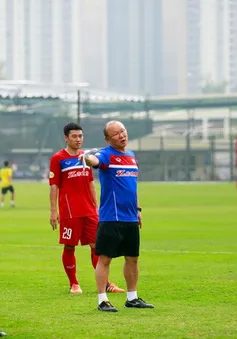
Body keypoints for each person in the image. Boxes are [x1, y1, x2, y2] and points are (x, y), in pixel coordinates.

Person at [80, 120, 154, 312]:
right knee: (105, 259)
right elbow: (94, 161)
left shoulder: (131, 155)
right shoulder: (105, 155)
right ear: (107, 139)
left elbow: (133, 187)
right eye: (116, 134)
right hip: (111, 218)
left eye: (123, 131)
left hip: (130, 217)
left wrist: (137, 210)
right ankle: (102, 300)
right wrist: (87, 157)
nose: (122, 135)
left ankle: (132, 298)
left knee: (133, 258)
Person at [49, 122, 124, 294]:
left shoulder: (85, 157)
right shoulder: (58, 158)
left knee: (97, 246)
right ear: (66, 138)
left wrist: (95, 206)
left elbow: (91, 182)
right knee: (69, 246)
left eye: (80, 136)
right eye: (74, 136)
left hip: (89, 210)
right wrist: (54, 211)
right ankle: (74, 283)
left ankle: (106, 284)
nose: (78, 139)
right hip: (69, 211)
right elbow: (54, 186)